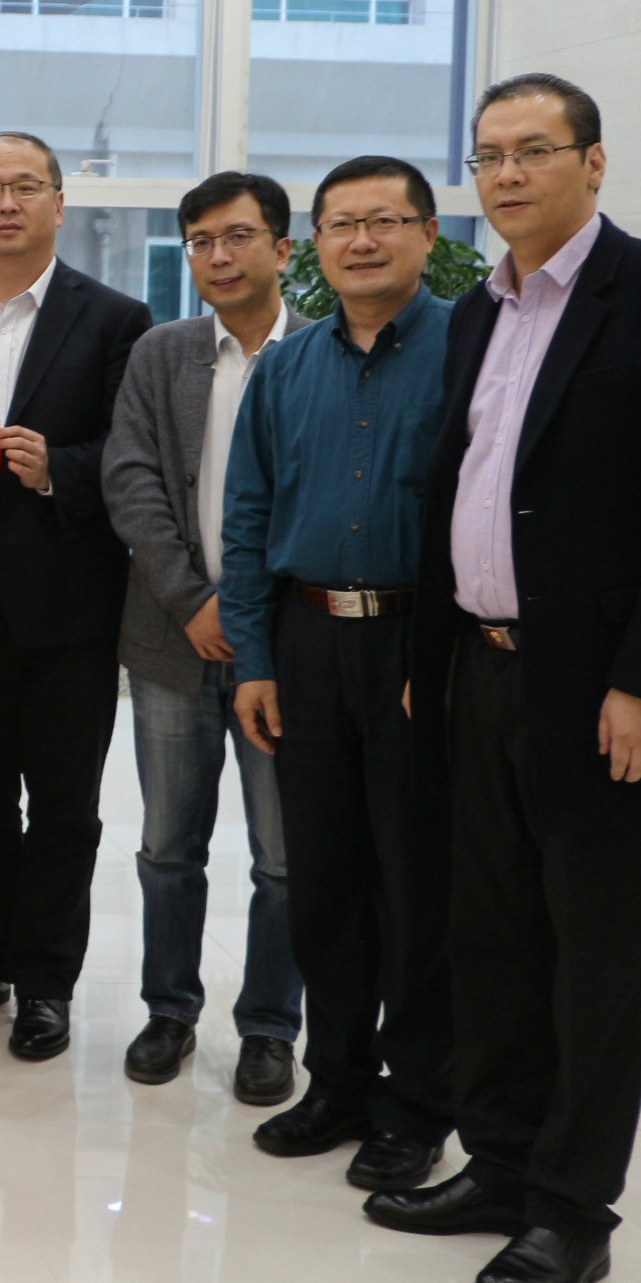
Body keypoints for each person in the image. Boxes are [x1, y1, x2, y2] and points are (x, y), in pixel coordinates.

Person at [365, 76, 641, 1283]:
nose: (506, 175)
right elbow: (459, 492)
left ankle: (570, 1210)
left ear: (593, 163)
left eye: (534, 151)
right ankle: (500, 1165)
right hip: (480, 669)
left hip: (602, 691)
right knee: (491, 939)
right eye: (489, 155)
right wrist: (429, 667)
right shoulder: (477, 312)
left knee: (593, 963)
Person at [221, 155, 453, 1191]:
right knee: (322, 881)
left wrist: (440, 652)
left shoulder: (469, 350)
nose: (362, 241)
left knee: (417, 886)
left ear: (427, 233)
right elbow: (248, 516)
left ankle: (421, 1102)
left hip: (417, 647)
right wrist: (256, 657)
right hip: (307, 642)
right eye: (342, 224)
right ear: (313, 243)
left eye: (384, 221)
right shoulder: (287, 368)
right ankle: (340, 1082)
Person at [0, 131, 151, 1062]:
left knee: (63, 807)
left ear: (59, 202)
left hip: (67, 608)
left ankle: (46, 982)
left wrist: (59, 469)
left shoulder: (116, 318)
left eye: (24, 187)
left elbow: (131, 453)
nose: (5, 203)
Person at [102, 171, 305, 1104]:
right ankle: (169, 1010)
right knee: (167, 846)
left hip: (285, 650)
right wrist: (192, 599)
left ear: (283, 248)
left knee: (283, 857)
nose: (218, 257)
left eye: (238, 237)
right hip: (172, 640)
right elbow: (131, 479)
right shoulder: (163, 352)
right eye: (201, 242)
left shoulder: (321, 352)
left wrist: (251, 615)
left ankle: (269, 1028)